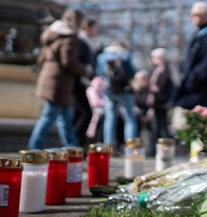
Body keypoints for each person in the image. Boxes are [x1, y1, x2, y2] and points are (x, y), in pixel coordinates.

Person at [27, 8, 90, 149]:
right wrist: (85, 71)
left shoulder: (51, 33)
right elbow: (68, 62)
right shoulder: (68, 36)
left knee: (64, 118)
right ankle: (34, 149)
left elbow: (41, 59)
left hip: (49, 78)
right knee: (49, 116)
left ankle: (72, 148)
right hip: (58, 82)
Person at [172, 2, 207, 129]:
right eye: (191, 14)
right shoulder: (197, 34)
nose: (193, 17)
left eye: (197, 14)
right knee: (182, 123)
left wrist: (194, 77)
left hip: (202, 88)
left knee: (196, 124)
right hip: (191, 85)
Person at [96, 41, 138, 152]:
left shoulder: (101, 57)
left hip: (109, 90)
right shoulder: (124, 54)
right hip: (124, 90)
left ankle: (109, 145)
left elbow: (99, 74)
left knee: (110, 117)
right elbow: (132, 72)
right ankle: (131, 145)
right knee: (129, 118)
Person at [73, 18, 99, 146]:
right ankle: (75, 144)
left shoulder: (87, 42)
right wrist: (86, 71)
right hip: (78, 82)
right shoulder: (81, 41)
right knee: (85, 113)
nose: (97, 30)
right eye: (95, 27)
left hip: (82, 82)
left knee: (80, 114)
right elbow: (78, 60)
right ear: (87, 27)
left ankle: (75, 145)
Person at [147, 48, 173, 156]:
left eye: (155, 57)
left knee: (160, 126)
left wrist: (152, 90)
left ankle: (160, 149)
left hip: (160, 102)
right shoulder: (163, 69)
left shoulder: (162, 70)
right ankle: (160, 148)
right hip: (161, 102)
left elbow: (157, 88)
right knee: (160, 125)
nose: (154, 60)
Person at [132, 70, 152, 152]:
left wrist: (148, 115)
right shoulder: (134, 91)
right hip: (138, 113)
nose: (144, 81)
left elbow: (152, 106)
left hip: (148, 114)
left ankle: (150, 148)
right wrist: (140, 115)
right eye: (142, 79)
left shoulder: (150, 91)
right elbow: (133, 105)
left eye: (145, 79)